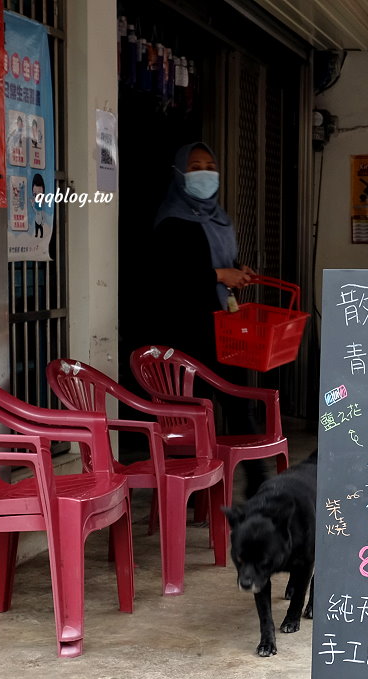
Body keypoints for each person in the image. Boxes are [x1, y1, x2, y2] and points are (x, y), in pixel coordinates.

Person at [153, 142, 267, 497]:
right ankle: (193, 489)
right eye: (195, 166)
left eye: (210, 165)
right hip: (187, 328)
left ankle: (256, 482)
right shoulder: (171, 221)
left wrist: (237, 273)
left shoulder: (220, 218)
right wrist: (218, 276)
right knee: (193, 411)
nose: (204, 172)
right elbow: (170, 277)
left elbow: (224, 264)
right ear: (179, 174)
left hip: (224, 327)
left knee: (238, 400)